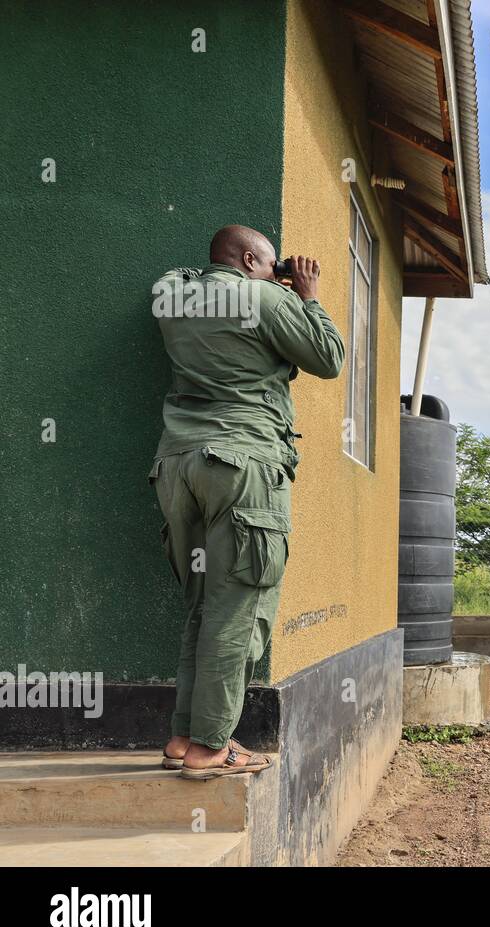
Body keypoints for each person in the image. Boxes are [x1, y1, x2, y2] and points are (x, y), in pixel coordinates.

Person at [149, 225, 344, 779]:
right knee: (237, 612)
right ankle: (213, 747)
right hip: (243, 466)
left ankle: (184, 737)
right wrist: (305, 294)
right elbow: (328, 357)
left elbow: (182, 277)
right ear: (252, 258)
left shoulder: (174, 297)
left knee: (204, 606)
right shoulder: (268, 298)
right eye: (269, 261)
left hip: (176, 467)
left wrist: (235, 271)